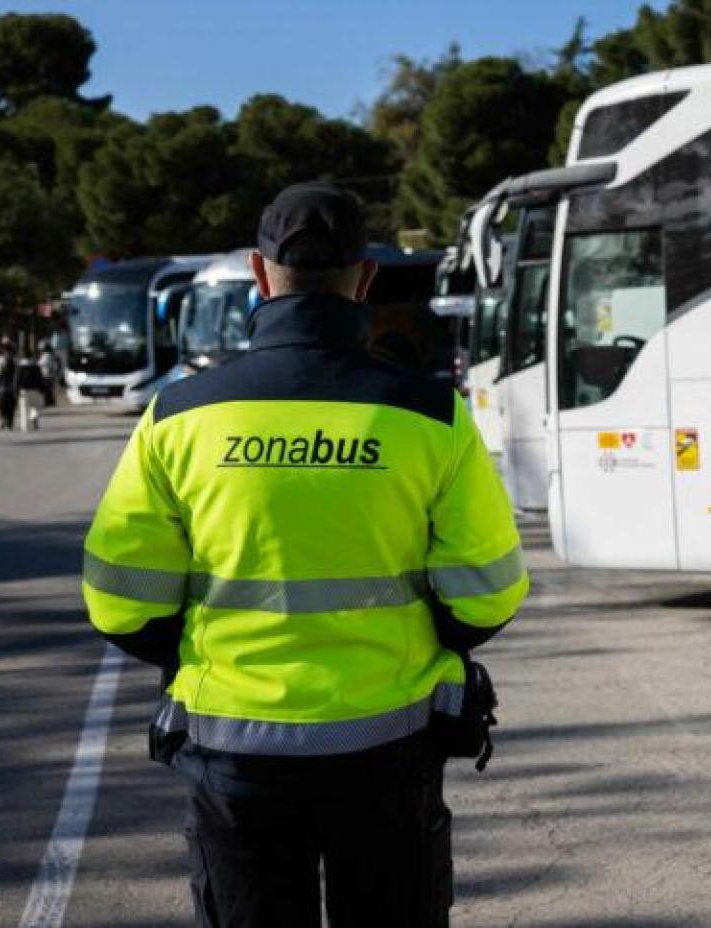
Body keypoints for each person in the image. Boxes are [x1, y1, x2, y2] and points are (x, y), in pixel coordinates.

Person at [82, 182, 528, 927]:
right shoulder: (432, 414)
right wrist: (419, 640)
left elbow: (120, 601)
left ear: (260, 276)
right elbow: (487, 594)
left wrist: (201, 649)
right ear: (365, 278)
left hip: (234, 753)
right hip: (390, 745)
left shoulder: (178, 416)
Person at [37, 343, 60, 407]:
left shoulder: (46, 355)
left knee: (47, 389)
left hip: (46, 374)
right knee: (49, 389)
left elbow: (40, 363)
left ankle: (49, 402)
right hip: (50, 374)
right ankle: (50, 402)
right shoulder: (51, 355)